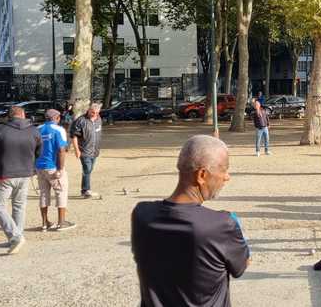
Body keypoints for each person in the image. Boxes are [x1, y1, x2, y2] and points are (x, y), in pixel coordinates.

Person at [132, 135, 250, 307]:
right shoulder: (222, 225)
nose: (227, 177)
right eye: (224, 169)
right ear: (202, 175)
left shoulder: (141, 214)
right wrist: (239, 235)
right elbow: (241, 266)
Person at [0, 106, 42, 254]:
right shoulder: (34, 130)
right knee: (19, 206)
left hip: (4, 172)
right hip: (26, 173)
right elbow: (38, 151)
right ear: (24, 115)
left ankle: (15, 237)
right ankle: (16, 236)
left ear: (9, 116)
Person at [36, 109, 76, 231]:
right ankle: (61, 222)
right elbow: (61, 150)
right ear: (57, 118)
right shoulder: (59, 129)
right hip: (52, 166)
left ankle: (45, 223)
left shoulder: (38, 129)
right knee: (61, 191)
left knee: (43, 193)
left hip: (39, 166)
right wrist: (60, 169)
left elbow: (33, 148)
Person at [71, 103, 103, 198]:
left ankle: (84, 190)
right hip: (84, 150)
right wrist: (76, 150)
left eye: (97, 113)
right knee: (87, 169)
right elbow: (74, 136)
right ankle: (86, 190)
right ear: (88, 110)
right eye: (93, 112)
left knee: (89, 170)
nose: (94, 114)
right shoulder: (80, 121)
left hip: (95, 151)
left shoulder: (99, 119)